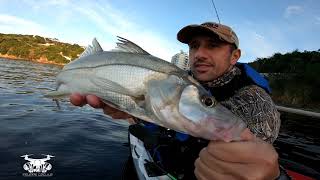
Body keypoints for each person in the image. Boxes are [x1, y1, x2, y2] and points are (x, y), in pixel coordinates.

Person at [70, 22, 290, 179]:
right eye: (194, 46)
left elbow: (252, 158)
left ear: (235, 56)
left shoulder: (253, 101)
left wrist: (273, 176)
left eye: (212, 45)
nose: (199, 54)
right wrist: (132, 111)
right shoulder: (181, 80)